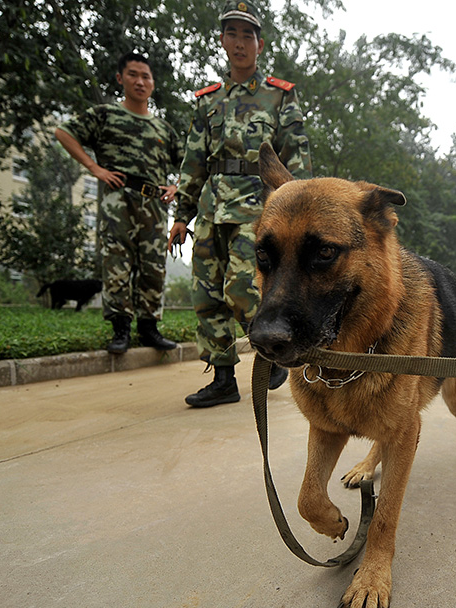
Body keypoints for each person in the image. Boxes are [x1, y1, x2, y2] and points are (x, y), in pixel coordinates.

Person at [168, 0, 312, 408]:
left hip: (258, 210)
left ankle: (277, 352)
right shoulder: (207, 101)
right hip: (212, 209)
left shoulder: (279, 97)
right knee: (207, 294)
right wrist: (181, 215)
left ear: (259, 44)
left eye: (247, 34)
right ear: (222, 40)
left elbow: (296, 159)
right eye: (232, 33)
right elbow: (193, 161)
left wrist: (293, 213)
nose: (239, 41)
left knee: (243, 288)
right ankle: (223, 378)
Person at [55, 52, 182, 354]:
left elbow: (189, 163)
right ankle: (120, 329)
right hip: (117, 199)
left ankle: (149, 327)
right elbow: (64, 132)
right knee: (116, 262)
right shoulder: (106, 115)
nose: (140, 81)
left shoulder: (163, 129)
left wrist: (177, 186)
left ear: (152, 83)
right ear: (120, 78)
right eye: (133, 74)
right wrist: (94, 168)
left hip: (153, 204)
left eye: (146, 76)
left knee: (154, 267)